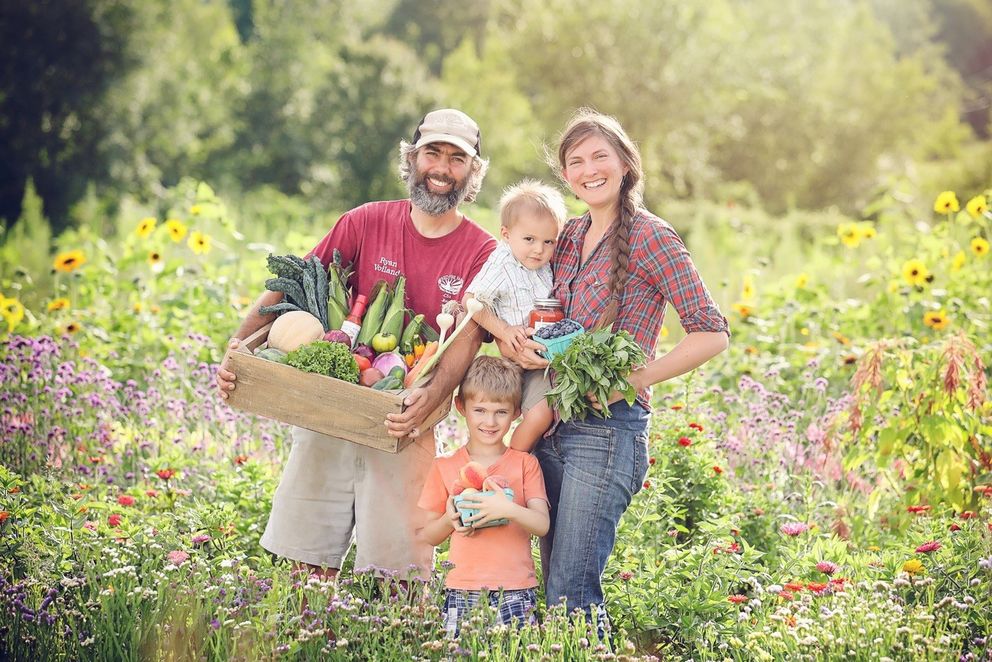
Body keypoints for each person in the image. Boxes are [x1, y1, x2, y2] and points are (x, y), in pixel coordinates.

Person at [216, 108, 497, 582]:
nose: (442, 169)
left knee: (399, 570)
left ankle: (400, 640)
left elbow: (466, 339)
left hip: (401, 420)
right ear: (412, 158)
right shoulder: (365, 221)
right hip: (329, 402)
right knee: (304, 559)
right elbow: (291, 281)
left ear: (472, 172)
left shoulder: (482, 251)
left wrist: (430, 395)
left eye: (456, 159)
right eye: (432, 153)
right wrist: (237, 348)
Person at [495, 108, 730, 634]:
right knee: (553, 581)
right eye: (575, 161)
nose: (588, 169)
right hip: (551, 423)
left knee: (571, 595)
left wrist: (638, 378)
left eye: (600, 155)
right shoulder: (567, 234)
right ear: (565, 176)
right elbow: (531, 302)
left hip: (607, 431)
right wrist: (518, 343)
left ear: (626, 163)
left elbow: (712, 330)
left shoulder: (653, 237)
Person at [416, 355, 550, 637]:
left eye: (501, 412)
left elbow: (542, 524)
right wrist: (450, 518)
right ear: (461, 407)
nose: (490, 421)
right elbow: (429, 534)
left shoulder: (526, 464)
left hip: (516, 589)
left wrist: (508, 508)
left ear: (516, 413)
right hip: (462, 588)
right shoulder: (444, 466)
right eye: (480, 410)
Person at [462, 180, 567, 452]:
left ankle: (513, 458)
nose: (538, 250)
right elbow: (472, 300)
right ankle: (489, 458)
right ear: (507, 235)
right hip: (514, 356)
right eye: (529, 239)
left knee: (541, 414)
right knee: (493, 412)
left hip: (541, 361)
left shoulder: (542, 264)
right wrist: (504, 331)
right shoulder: (503, 261)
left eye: (548, 242)